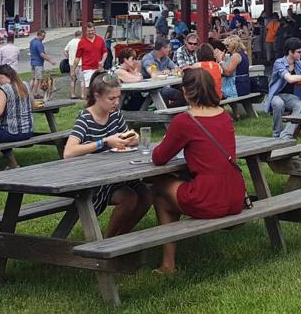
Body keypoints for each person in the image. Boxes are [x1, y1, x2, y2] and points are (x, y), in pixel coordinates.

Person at [150, 68, 246, 273]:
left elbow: (159, 158)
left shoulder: (185, 121)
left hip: (209, 197)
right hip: (235, 194)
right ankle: (173, 256)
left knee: (160, 191)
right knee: (177, 188)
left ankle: (168, 263)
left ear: (185, 91)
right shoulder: (225, 116)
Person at [62, 73, 151, 237]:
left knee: (146, 194)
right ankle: (108, 240)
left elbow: (128, 135)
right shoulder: (85, 119)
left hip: (116, 174)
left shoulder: (115, 115)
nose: (116, 102)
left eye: (118, 97)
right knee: (129, 198)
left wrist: (133, 138)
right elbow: (68, 152)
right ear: (97, 96)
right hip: (93, 179)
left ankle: (121, 236)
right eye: (111, 99)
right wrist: (103, 142)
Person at [0, 65, 36, 174]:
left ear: (1, 76)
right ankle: (13, 165)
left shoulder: (4, 89)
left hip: (12, 132)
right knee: (0, 136)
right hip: (28, 131)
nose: (0, 83)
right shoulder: (25, 85)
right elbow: (32, 104)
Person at [266, 38, 301, 140]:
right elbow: (290, 79)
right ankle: (276, 134)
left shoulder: (299, 63)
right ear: (290, 52)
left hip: (291, 96)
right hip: (277, 95)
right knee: (278, 104)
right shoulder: (279, 63)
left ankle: (286, 134)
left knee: (300, 106)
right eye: (299, 52)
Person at [75, 22, 108, 93]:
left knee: (100, 87)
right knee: (89, 87)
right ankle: (89, 102)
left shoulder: (100, 39)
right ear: (86, 32)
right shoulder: (82, 42)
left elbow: (105, 52)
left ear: (94, 30)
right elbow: (77, 57)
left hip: (99, 68)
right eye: (89, 31)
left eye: (92, 30)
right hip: (87, 68)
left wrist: (103, 61)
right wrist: (73, 69)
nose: (91, 32)